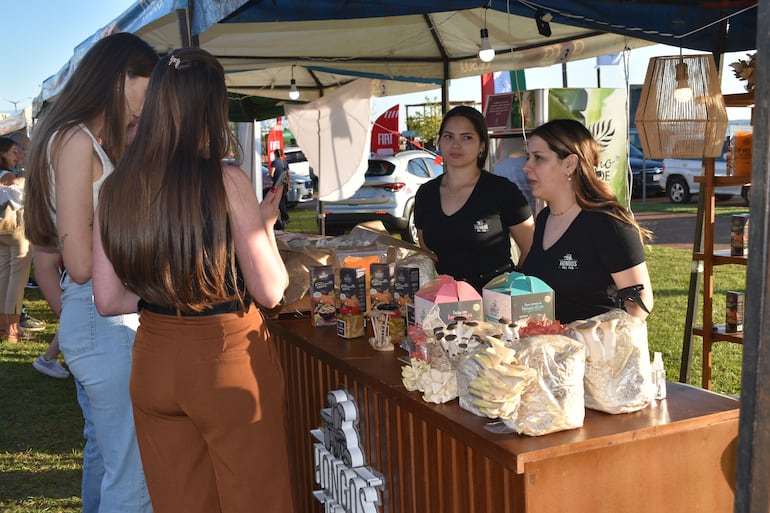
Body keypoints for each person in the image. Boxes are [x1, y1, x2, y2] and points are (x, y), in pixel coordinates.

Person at [92, 48, 295, 513]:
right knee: (256, 500)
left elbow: (107, 298)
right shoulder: (226, 180)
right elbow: (270, 290)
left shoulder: (117, 187)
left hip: (153, 360)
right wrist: (263, 229)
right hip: (225, 358)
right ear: (212, 105)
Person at [24, 32, 157, 512]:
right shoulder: (77, 140)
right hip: (104, 320)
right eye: (150, 83)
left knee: (111, 461)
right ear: (124, 77)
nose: (152, 99)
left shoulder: (69, 137)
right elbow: (80, 263)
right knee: (133, 480)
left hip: (95, 320)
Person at [520, 118, 654, 323]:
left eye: (538, 158)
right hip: (550, 349)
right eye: (528, 157)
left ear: (570, 163)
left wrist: (595, 344)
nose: (527, 167)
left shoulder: (607, 223)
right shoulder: (545, 218)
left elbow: (639, 304)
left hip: (596, 352)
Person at [414, 105, 534, 292]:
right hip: (446, 301)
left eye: (467, 137)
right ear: (439, 142)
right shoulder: (426, 193)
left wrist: (512, 289)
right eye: (449, 136)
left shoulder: (502, 190)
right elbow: (427, 254)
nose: (456, 145)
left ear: (482, 145)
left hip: (496, 304)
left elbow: (530, 250)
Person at [0, 136, 31, 342]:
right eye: (12, 152)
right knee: (17, 280)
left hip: (2, 231)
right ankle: (13, 330)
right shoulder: (9, 177)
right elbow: (24, 199)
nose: (16, 155)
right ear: (2, 154)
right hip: (16, 230)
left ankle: (4, 327)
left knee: (3, 277)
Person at [270, 148, 290, 229]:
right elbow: (288, 174)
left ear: (275, 154)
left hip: (277, 185)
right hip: (284, 183)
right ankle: (283, 218)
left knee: (277, 202)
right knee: (283, 201)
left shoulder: (274, 162)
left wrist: (273, 178)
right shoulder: (285, 162)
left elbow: (272, 173)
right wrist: (288, 184)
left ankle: (284, 217)